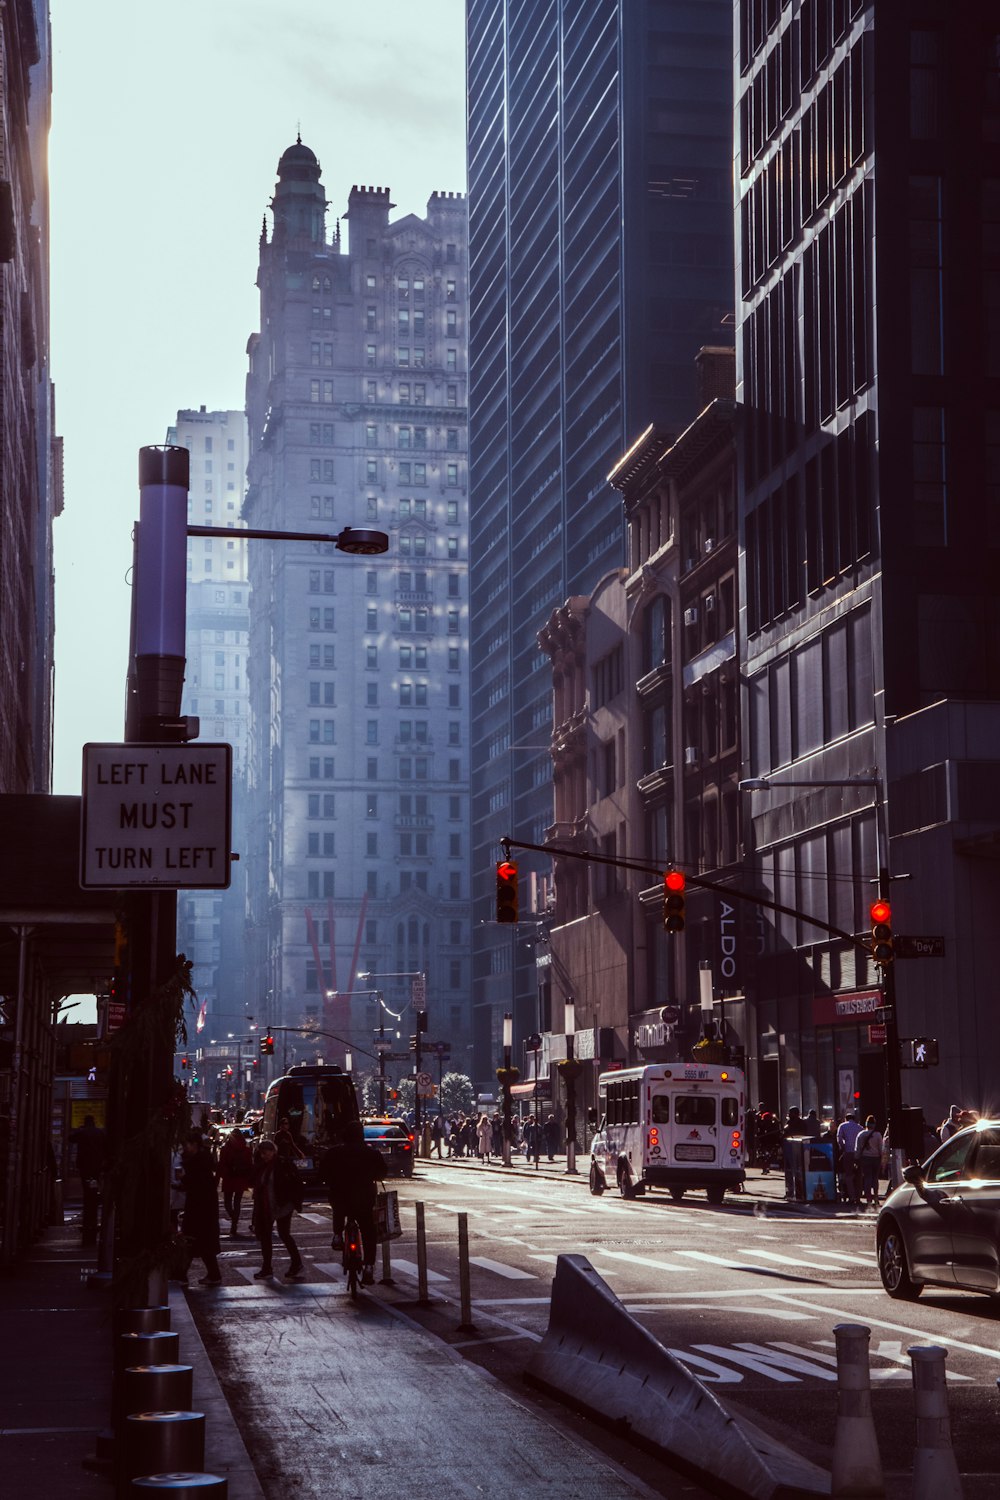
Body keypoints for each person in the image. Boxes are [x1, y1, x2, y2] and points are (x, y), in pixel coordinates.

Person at [320, 1120, 385, 1284]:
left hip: (341, 1196)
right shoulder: (372, 1153)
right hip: (364, 1199)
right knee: (368, 1233)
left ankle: (337, 1235)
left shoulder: (334, 1153)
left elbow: (322, 1173)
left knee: (338, 1210)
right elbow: (382, 1173)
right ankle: (369, 1267)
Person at [251, 1138, 305, 1281]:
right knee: (266, 1236)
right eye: (262, 1153)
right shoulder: (261, 1166)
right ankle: (267, 1268)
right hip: (267, 1205)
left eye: (266, 1152)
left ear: (273, 1151)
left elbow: (296, 1182)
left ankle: (296, 1263)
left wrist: (295, 1201)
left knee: (284, 1234)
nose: (264, 1156)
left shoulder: (282, 1164)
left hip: (282, 1205)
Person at [180, 1130, 222, 1284]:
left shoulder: (198, 1162)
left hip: (200, 1209)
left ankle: (182, 1274)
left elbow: (196, 1184)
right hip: (204, 1209)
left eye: (187, 1144)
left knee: (192, 1242)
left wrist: (183, 1179)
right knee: (202, 1244)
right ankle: (212, 1274)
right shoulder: (202, 1160)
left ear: (194, 1145)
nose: (184, 1147)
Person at [70, 1114, 107, 1246]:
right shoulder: (100, 1133)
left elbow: (71, 1139)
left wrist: (79, 1130)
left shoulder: (82, 1133)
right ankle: (95, 1199)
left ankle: (89, 1216)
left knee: (87, 1192)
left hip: (85, 1167)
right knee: (94, 1188)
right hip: (96, 1167)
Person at [218, 1127, 255, 1237]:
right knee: (237, 1202)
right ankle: (234, 1224)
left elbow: (222, 1164)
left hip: (229, 1178)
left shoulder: (226, 1149)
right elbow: (249, 1165)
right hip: (241, 1178)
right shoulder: (246, 1149)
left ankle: (234, 1220)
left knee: (227, 1202)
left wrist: (219, 1178)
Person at [856, 1115, 884, 1209]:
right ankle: (876, 1197)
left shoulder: (861, 1134)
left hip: (865, 1158)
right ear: (874, 1125)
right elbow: (881, 1148)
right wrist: (881, 1158)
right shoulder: (878, 1135)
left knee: (867, 1177)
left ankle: (868, 1198)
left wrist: (857, 1158)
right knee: (875, 1178)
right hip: (876, 1158)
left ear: (866, 1124)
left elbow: (858, 1148)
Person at [835, 1110, 863, 1207]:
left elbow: (839, 1139)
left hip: (848, 1153)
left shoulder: (842, 1126)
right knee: (859, 1175)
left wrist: (842, 1148)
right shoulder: (860, 1127)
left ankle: (851, 1197)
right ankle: (858, 1196)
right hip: (858, 1154)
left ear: (846, 1119)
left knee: (848, 1175)